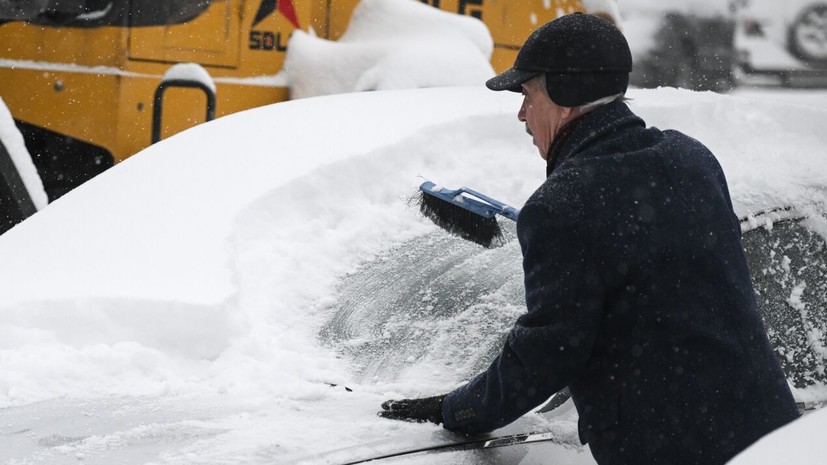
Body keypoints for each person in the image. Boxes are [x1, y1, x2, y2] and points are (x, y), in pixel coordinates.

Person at [379, 12, 800, 465]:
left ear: (566, 93)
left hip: (673, 450)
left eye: (527, 94)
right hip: (770, 436)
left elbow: (547, 353)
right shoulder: (691, 160)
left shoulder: (564, 205)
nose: (521, 114)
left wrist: (456, 408)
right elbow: (669, 279)